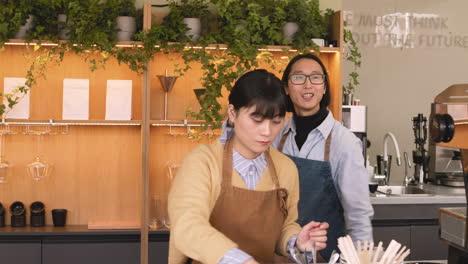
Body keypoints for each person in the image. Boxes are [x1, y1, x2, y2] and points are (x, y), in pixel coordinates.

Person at [168, 69, 329, 264]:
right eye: (257, 120)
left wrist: (295, 242)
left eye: (276, 121)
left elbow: (285, 227)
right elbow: (188, 226)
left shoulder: (285, 168)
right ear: (232, 113)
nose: (267, 132)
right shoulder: (203, 162)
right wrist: (239, 260)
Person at [273, 53, 374, 259]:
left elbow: (358, 216)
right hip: (282, 253)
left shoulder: (344, 142)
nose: (308, 85)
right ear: (286, 87)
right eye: (299, 77)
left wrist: (361, 260)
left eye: (316, 77)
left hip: (327, 257)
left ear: (325, 87)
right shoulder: (276, 135)